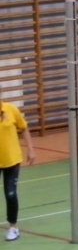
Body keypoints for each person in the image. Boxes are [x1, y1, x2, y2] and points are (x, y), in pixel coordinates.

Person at [0, 86, 35, 241]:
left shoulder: (11, 110)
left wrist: (31, 149)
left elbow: (24, 128)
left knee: (10, 194)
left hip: (11, 160)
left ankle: (13, 227)